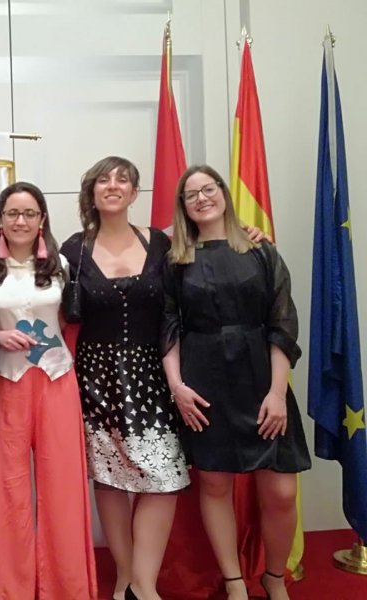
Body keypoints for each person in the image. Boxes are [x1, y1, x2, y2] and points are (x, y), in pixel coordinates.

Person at [161, 165, 311, 600]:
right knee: (214, 484)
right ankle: (233, 581)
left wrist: (277, 393)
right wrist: (177, 387)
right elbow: (168, 327)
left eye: (208, 189)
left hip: (262, 381)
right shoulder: (175, 260)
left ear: (224, 193)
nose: (201, 198)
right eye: (191, 194)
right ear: (183, 206)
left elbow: (282, 324)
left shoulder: (262, 251)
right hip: (203, 383)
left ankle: (274, 577)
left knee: (281, 491)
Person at [60, 156, 190, 600]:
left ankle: (144, 582)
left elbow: (208, 250)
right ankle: (125, 579)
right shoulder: (73, 250)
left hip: (153, 374)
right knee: (110, 478)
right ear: (92, 192)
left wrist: (250, 233)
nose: (112, 185)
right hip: (93, 379)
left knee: (164, 477)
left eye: (123, 179)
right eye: (103, 179)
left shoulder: (162, 244)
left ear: (135, 193)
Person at [0, 181, 98, 599]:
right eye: (12, 213)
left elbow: (72, 321)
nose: (21, 221)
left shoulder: (62, 264)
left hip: (56, 381)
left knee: (62, 487)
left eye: (29, 213)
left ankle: (65, 588)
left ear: (42, 219)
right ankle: (12, 589)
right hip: (4, 383)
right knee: (7, 491)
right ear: (0, 220)